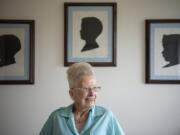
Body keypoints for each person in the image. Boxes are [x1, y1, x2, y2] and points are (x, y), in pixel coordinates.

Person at [39, 62, 125, 135]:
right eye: (86, 89)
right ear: (72, 94)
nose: (92, 93)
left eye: (95, 88)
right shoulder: (57, 118)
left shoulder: (106, 116)